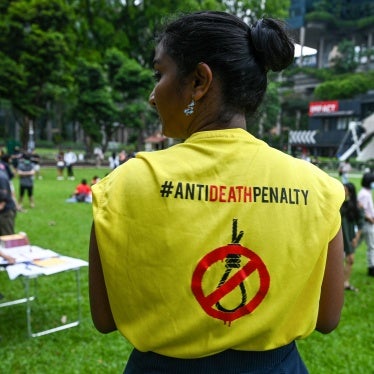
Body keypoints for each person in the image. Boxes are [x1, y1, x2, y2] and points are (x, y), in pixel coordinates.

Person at [89, 11, 345, 373]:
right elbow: (328, 317)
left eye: (159, 74)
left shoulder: (124, 184)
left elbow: (104, 318)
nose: (152, 96)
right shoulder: (318, 188)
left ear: (199, 81)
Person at [341, 183, 364, 291]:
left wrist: (357, 237)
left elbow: (360, 222)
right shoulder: (338, 204)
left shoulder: (355, 206)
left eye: (345, 190)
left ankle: (345, 282)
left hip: (349, 235)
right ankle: (339, 282)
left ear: (350, 192)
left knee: (350, 260)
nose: (343, 191)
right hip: (340, 236)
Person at [357, 172, 374, 277]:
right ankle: (371, 267)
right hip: (367, 224)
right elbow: (361, 209)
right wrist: (371, 220)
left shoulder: (367, 192)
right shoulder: (364, 194)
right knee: (371, 246)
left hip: (368, 223)